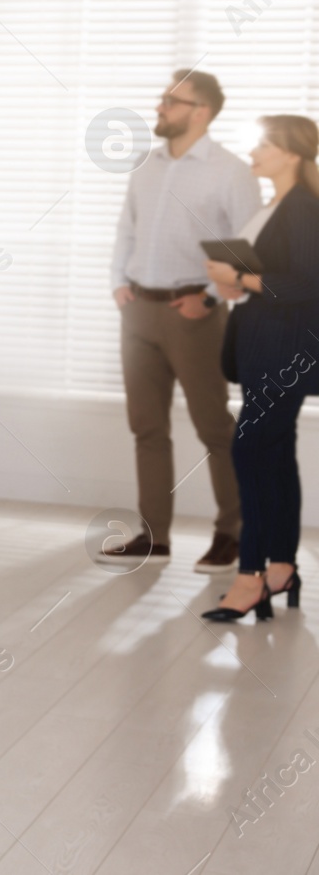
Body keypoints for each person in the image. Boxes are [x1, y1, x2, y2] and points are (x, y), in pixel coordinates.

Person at [103, 70, 261, 572]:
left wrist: (211, 299)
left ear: (201, 111)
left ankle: (232, 534)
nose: (160, 107)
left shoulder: (231, 171)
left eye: (172, 101)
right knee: (146, 427)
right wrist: (118, 283)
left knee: (214, 427)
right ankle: (155, 536)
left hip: (193, 314)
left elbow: (249, 252)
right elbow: (126, 230)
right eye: (162, 99)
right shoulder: (146, 166)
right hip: (139, 312)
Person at [201, 115, 319, 621]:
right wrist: (235, 283)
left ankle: (250, 577)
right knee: (272, 454)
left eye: (262, 144)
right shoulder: (273, 205)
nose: (253, 151)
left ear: (290, 153)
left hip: (284, 353)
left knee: (248, 452)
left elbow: (307, 284)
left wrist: (244, 279)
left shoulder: (304, 209)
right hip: (259, 345)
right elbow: (269, 274)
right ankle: (281, 568)